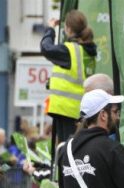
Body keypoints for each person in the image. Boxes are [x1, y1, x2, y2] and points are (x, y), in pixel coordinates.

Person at [41, 10, 97, 143]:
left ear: (68, 29)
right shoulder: (88, 51)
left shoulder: (70, 50)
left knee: (67, 150)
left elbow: (46, 48)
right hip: (80, 111)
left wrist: (50, 29)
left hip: (66, 110)